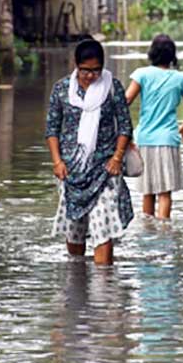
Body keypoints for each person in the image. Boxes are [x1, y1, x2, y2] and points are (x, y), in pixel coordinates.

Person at [45, 39, 134, 265]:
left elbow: (125, 127)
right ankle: (77, 279)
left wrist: (117, 158)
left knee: (102, 227)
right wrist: (57, 162)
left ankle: (104, 287)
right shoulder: (61, 90)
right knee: (74, 228)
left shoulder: (112, 88)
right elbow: (52, 129)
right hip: (71, 170)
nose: (91, 76)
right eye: (85, 70)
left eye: (96, 70)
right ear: (76, 65)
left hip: (104, 168)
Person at [126, 34, 183, 220]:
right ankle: (165, 231)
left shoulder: (142, 74)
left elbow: (125, 100)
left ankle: (148, 230)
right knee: (165, 192)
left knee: (147, 190)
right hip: (168, 140)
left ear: (152, 54)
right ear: (172, 56)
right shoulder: (180, 78)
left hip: (145, 139)